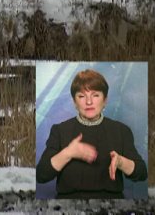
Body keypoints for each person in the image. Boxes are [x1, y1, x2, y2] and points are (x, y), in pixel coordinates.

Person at [36, 69, 147, 199]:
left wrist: (121, 162)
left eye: (95, 95)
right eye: (81, 96)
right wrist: (69, 153)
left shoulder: (121, 130)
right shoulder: (60, 130)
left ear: (105, 100)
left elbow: (142, 173)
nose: (89, 102)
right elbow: (41, 175)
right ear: (74, 102)